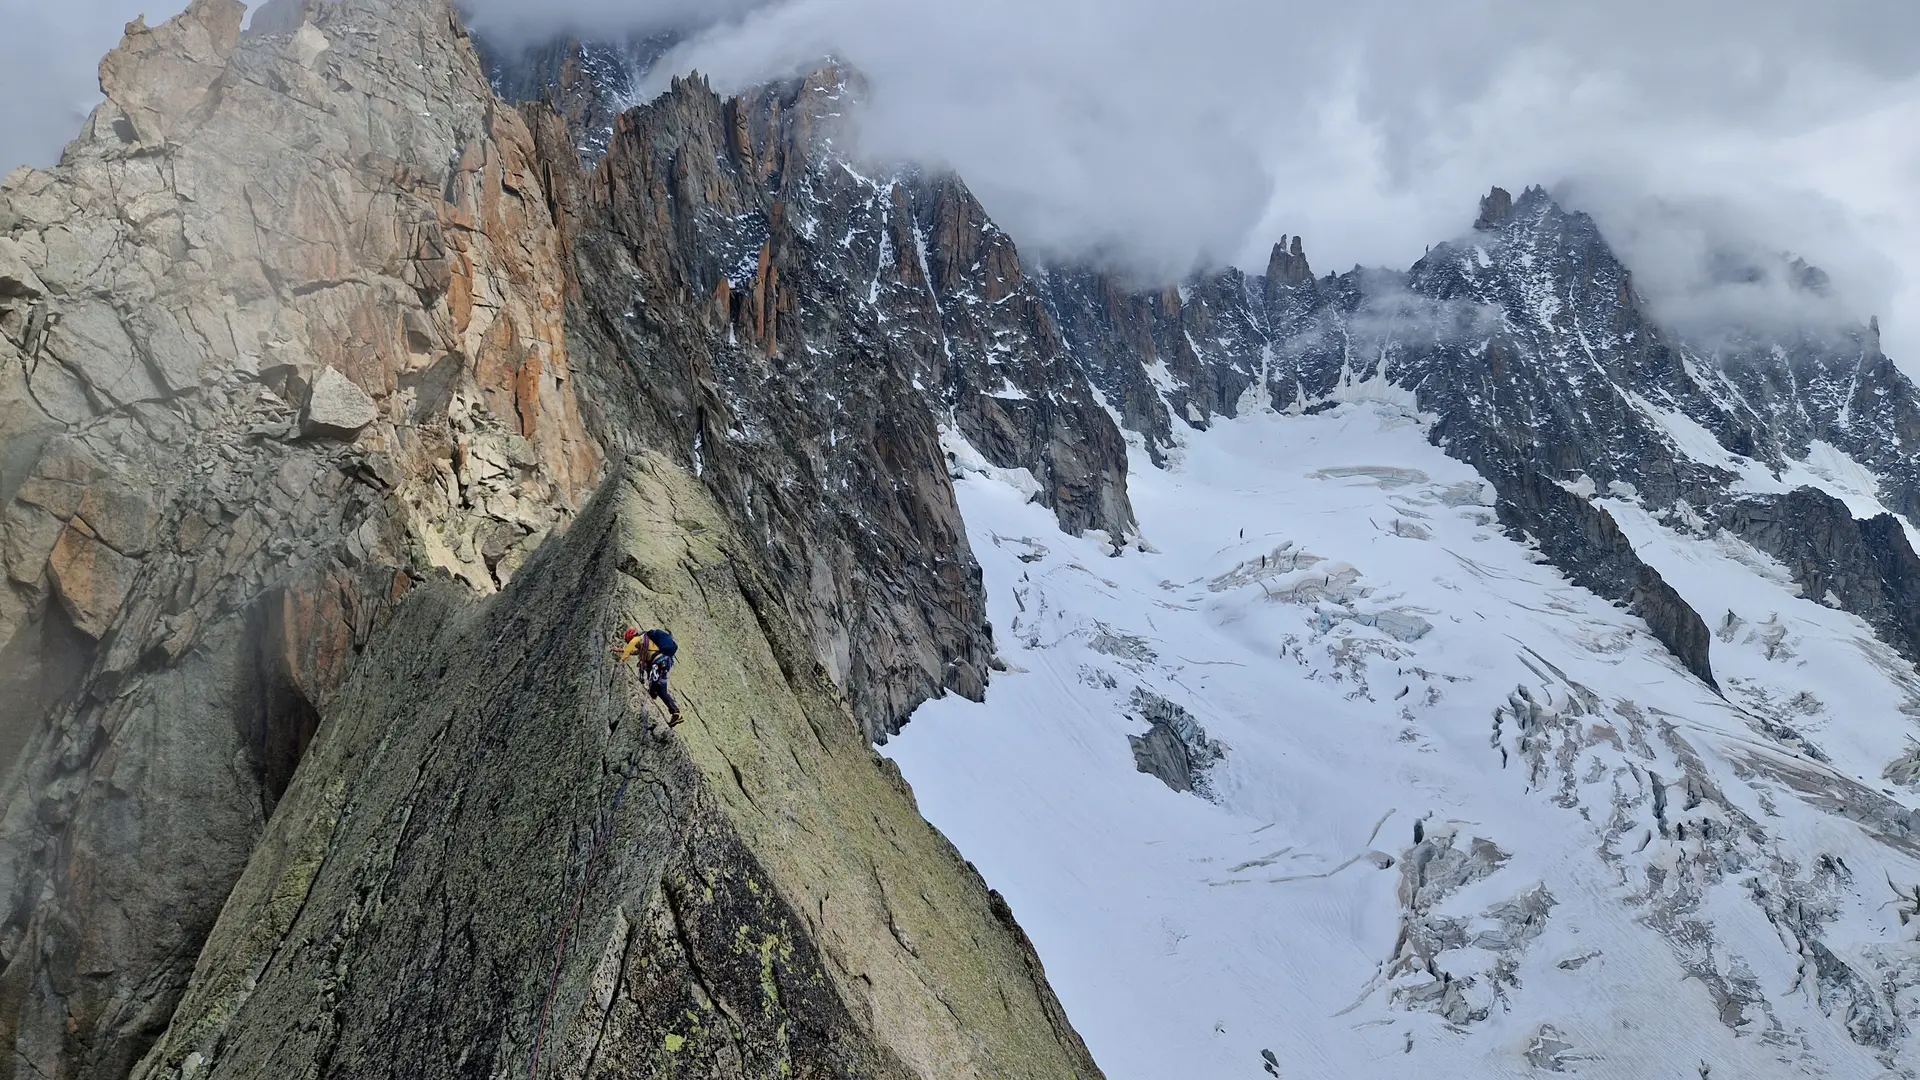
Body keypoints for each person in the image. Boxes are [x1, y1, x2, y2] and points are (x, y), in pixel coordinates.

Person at [613, 627, 681, 724]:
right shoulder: (644, 643)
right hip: (661, 664)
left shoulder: (638, 639)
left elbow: (630, 647)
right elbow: (634, 651)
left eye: (630, 641)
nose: (633, 644)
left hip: (660, 663)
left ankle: (675, 711)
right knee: (659, 690)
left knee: (659, 687)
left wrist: (622, 661)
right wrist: (620, 650)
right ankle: (674, 712)